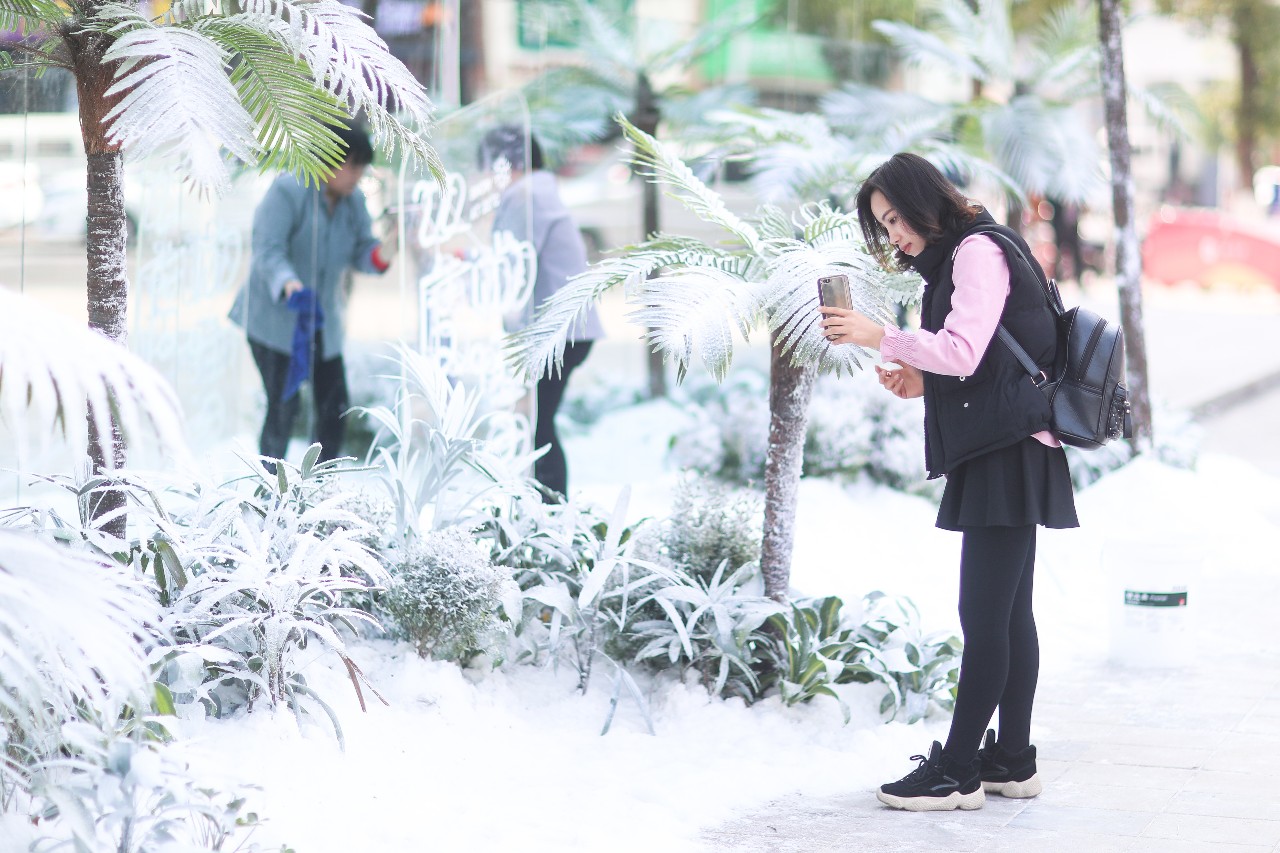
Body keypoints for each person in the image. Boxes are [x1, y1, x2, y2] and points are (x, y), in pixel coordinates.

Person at [820, 153, 1078, 812]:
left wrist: (886, 337)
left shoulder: (974, 252)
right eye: (883, 225)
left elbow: (963, 351)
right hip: (1009, 446)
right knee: (1010, 613)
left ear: (922, 199)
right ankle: (1011, 758)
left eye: (896, 217)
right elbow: (981, 356)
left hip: (1007, 452)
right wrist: (918, 375)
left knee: (985, 615)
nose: (895, 235)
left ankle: (958, 770)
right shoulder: (972, 249)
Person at [230, 122, 395, 465]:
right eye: (352, 165)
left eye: (362, 167)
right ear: (329, 159)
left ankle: (319, 486)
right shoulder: (289, 190)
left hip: (323, 324)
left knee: (335, 407)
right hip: (275, 324)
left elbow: (363, 251)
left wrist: (383, 254)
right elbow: (267, 249)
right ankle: (269, 492)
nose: (357, 175)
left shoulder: (353, 202)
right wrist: (289, 283)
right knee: (283, 406)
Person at [482, 125, 603, 501]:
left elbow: (513, 263)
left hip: (559, 333)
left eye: (489, 166)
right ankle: (547, 506)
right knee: (538, 421)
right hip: (568, 331)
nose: (487, 177)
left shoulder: (527, 195)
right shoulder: (539, 191)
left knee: (538, 423)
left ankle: (551, 509)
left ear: (507, 163)